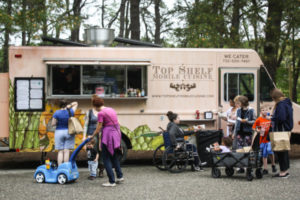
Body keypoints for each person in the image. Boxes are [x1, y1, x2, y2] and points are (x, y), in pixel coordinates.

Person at [89, 97, 123, 187]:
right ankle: (120, 176)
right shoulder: (111, 109)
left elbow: (99, 127)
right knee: (114, 156)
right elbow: (118, 123)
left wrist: (92, 135)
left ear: (95, 106)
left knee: (106, 158)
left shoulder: (100, 113)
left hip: (108, 137)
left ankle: (111, 181)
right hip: (116, 134)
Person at [270, 89, 293, 178]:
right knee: (284, 150)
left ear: (275, 97)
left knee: (280, 150)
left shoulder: (281, 105)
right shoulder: (287, 103)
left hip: (280, 130)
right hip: (286, 130)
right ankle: (285, 170)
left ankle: (283, 172)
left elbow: (281, 118)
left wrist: (271, 118)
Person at [83, 94, 105, 178]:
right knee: (92, 152)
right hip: (91, 135)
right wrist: (84, 136)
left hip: (101, 134)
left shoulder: (102, 111)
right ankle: (93, 172)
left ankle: (101, 170)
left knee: (101, 152)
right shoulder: (89, 112)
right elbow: (86, 124)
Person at [52, 100, 78, 166]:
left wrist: (58, 122)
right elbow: (76, 103)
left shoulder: (56, 113)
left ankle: (60, 167)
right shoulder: (71, 111)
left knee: (60, 151)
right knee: (66, 151)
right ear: (66, 104)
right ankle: (65, 167)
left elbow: (53, 124)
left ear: (59, 105)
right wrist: (70, 105)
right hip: (69, 132)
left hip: (59, 132)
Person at [252, 106, 277, 175]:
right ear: (260, 112)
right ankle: (265, 168)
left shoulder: (270, 119)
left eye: (266, 110)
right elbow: (254, 127)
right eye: (263, 110)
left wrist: (272, 120)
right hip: (262, 139)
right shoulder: (259, 119)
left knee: (270, 150)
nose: (265, 111)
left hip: (269, 138)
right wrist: (258, 130)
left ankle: (273, 164)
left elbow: (274, 126)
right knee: (264, 154)